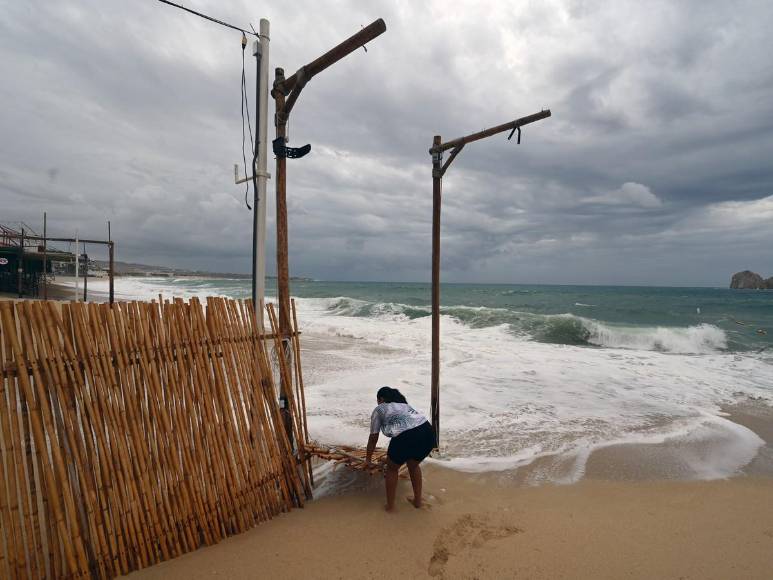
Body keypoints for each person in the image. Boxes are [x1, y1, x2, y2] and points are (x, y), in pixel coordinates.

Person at [365, 386, 436, 512]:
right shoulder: (404, 405)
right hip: (428, 433)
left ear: (381, 399)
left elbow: (373, 437)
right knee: (413, 465)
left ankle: (390, 507)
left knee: (392, 469)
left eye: (377, 400)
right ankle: (417, 502)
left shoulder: (379, 409)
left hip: (407, 436)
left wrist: (368, 459)